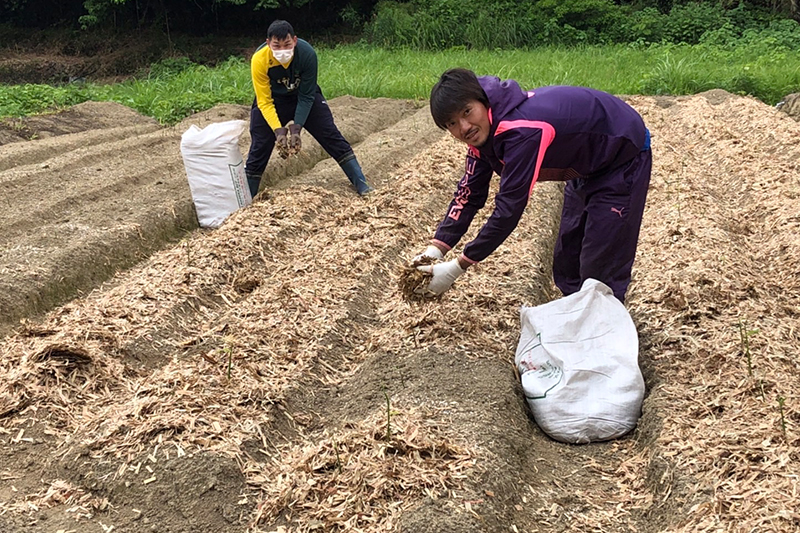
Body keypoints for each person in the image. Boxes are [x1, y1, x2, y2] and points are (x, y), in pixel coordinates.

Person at [414, 68, 651, 303]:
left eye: (467, 112)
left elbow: (509, 209)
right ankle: (575, 317)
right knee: (568, 260)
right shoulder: (483, 135)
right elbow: (468, 195)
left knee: (600, 266)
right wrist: (435, 250)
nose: (464, 127)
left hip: (622, 155)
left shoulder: (522, 132)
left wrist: (458, 266)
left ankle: (603, 330)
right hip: (586, 162)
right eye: (453, 123)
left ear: (483, 101)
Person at [245, 20, 373, 197]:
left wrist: (297, 128)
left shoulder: (307, 54)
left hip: (302, 97)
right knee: (259, 146)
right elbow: (264, 101)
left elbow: (306, 96)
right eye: (277, 46)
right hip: (274, 101)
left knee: (330, 134)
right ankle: (245, 200)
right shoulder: (259, 59)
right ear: (268, 44)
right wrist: (278, 131)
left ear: (295, 41)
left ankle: (362, 184)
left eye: (287, 45)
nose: (282, 50)